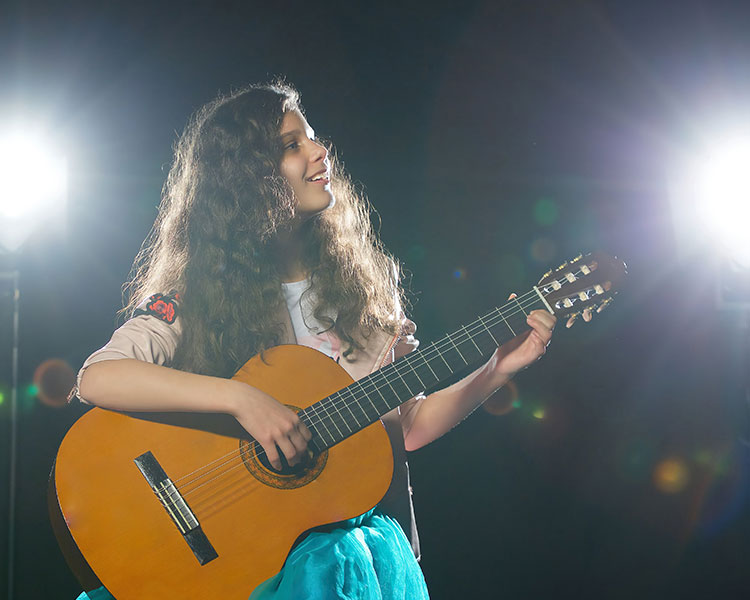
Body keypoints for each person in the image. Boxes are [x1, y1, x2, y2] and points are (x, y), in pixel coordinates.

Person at [71, 81, 556, 600]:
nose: (320, 151)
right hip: (251, 561)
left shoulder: (364, 293)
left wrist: (494, 372)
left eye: (312, 138)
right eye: (291, 145)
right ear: (246, 181)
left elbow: (404, 429)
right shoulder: (195, 297)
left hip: (357, 562)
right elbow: (98, 377)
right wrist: (242, 400)